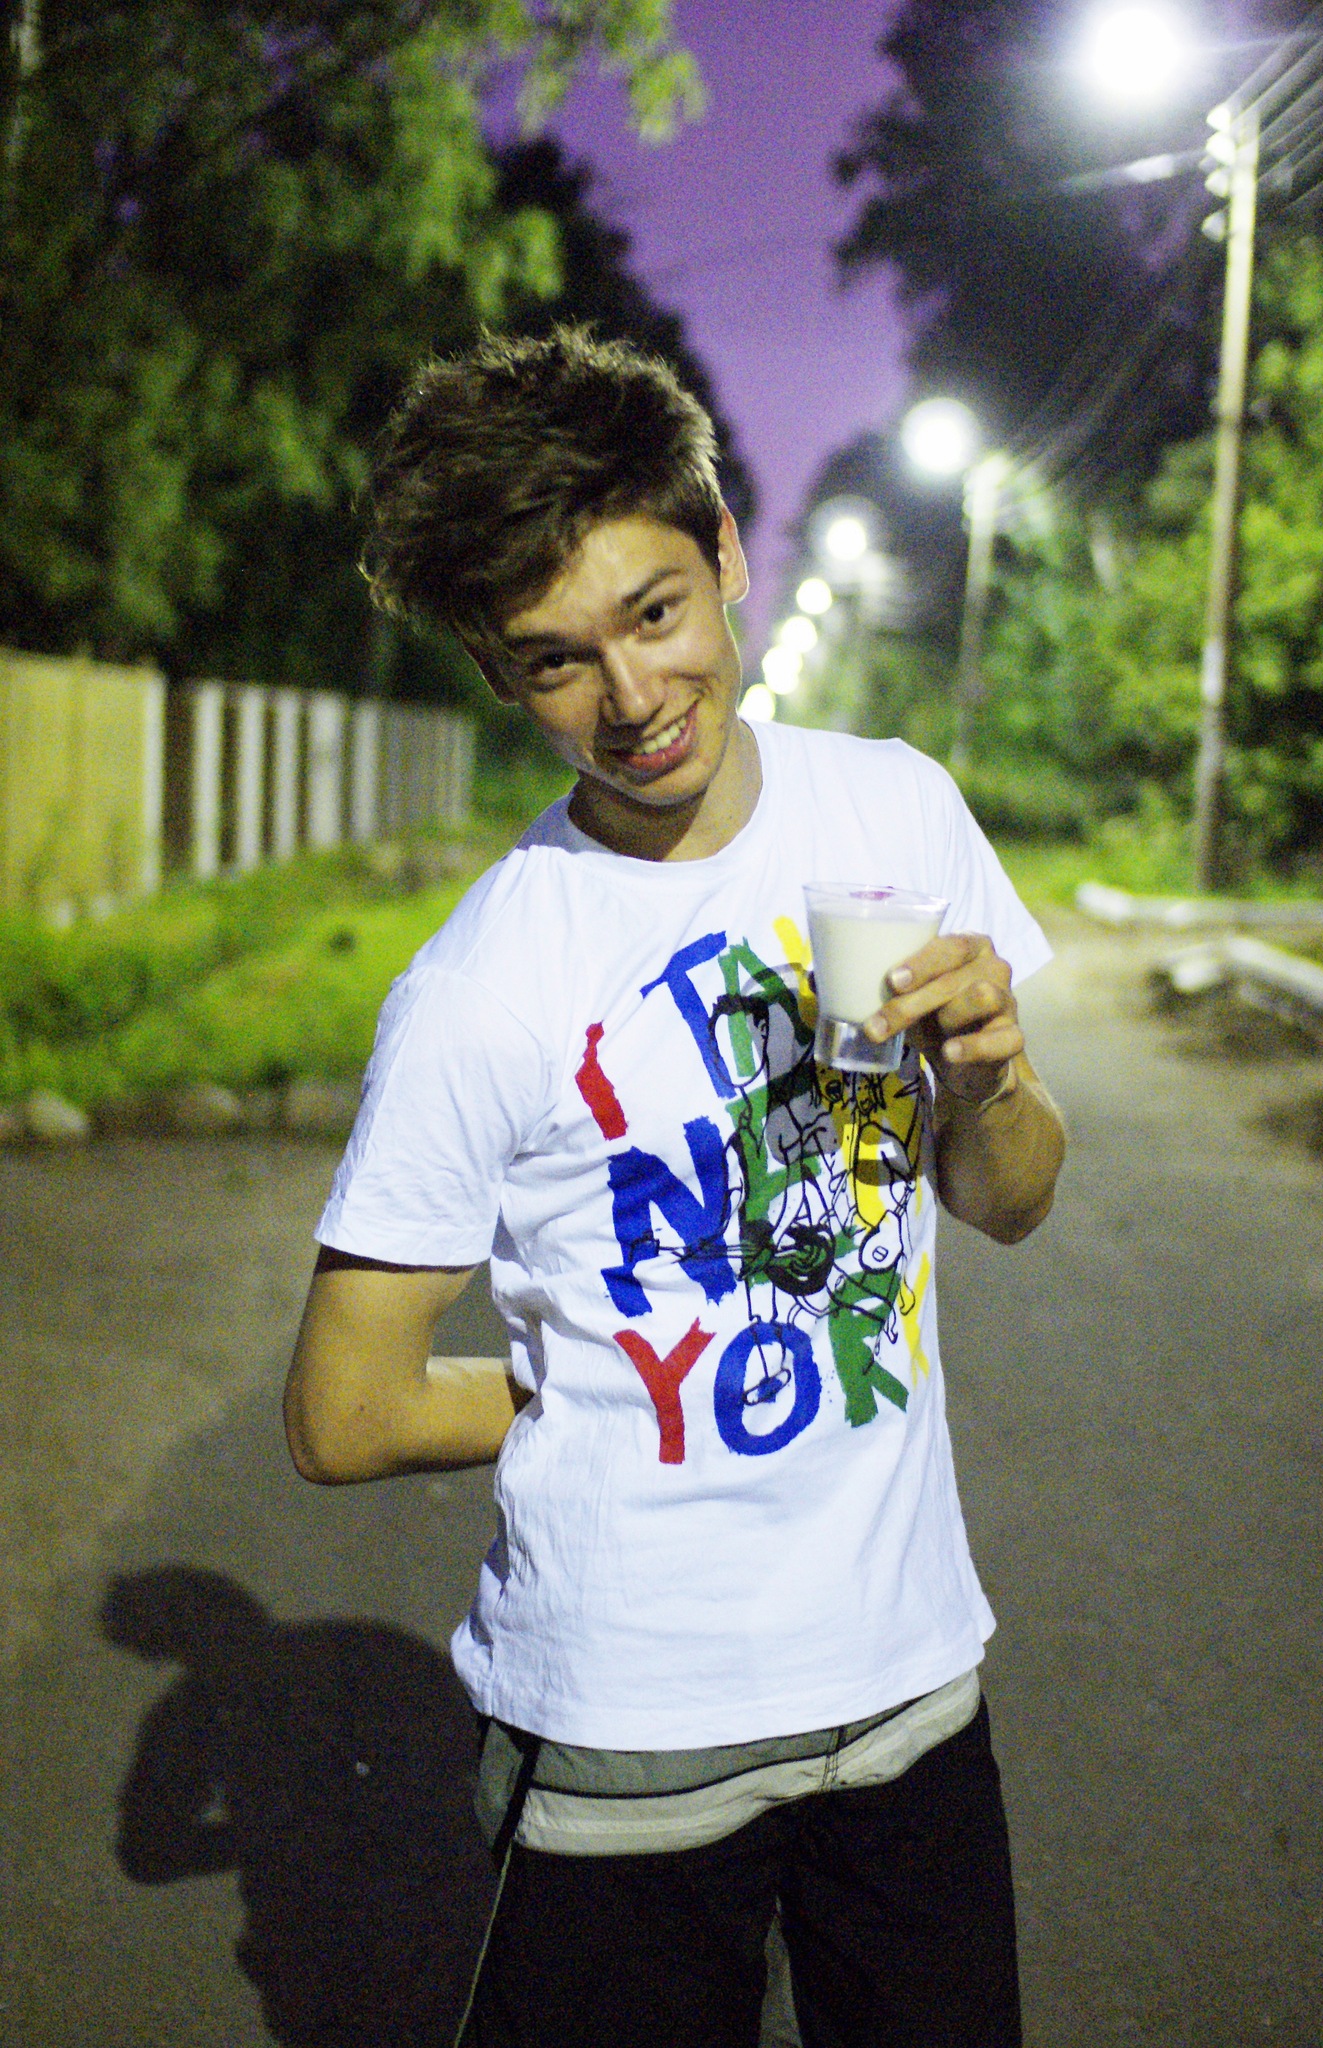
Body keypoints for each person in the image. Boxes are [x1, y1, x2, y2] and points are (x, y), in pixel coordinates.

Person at [285, 326, 1066, 2048]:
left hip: (910, 1696)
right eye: (557, 661)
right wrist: (608, 1382)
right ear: (498, 674)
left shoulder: (892, 815)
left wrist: (992, 1081)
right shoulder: (487, 982)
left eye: (654, 613)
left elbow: (1006, 1199)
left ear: (725, 554)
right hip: (629, 1738)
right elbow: (342, 1412)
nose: (632, 700)